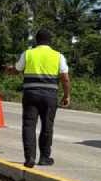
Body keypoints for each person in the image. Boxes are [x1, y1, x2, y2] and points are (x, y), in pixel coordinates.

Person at [8, 28, 71, 168]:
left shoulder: (28, 53)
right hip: (50, 96)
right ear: (50, 41)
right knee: (47, 126)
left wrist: (9, 69)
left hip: (30, 95)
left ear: (36, 40)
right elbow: (65, 79)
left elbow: (17, 69)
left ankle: (29, 158)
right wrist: (66, 95)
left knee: (29, 125)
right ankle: (44, 158)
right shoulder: (58, 56)